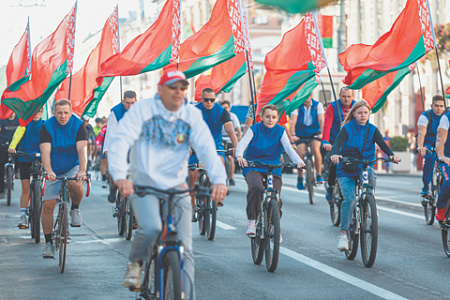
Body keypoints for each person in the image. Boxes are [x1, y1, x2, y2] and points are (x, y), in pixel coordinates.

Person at [107, 70, 227, 297]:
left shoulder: (190, 115)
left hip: (176, 186)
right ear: (160, 90)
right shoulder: (142, 111)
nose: (178, 92)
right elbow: (120, 141)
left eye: (182, 88)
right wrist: (121, 176)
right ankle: (136, 263)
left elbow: (207, 149)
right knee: (151, 227)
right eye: (173, 87)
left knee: (186, 248)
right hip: (144, 184)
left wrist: (219, 180)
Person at [330, 100, 400, 251]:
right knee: (349, 199)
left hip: (364, 166)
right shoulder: (347, 128)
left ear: (369, 114)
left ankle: (369, 202)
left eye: (365, 113)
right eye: (360, 113)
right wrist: (334, 154)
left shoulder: (372, 129)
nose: (363, 115)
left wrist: (392, 156)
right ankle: (343, 235)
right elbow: (337, 144)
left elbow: (383, 144)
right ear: (354, 114)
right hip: (347, 168)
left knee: (371, 174)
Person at [236, 104, 305, 236]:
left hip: (273, 167)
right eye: (267, 117)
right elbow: (242, 144)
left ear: (277, 118)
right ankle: (252, 221)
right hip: (253, 165)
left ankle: (274, 225)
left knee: (275, 196)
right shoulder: (254, 129)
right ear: (261, 117)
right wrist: (240, 156)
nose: (270, 119)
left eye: (273, 117)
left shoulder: (280, 131)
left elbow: (289, 149)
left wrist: (299, 162)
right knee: (256, 188)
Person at [40, 99, 88, 258]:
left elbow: (82, 149)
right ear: (54, 113)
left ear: (71, 112)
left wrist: (82, 170)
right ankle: (48, 244)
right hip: (53, 166)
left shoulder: (78, 124)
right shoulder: (47, 126)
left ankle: (75, 208)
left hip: (72, 165)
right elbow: (45, 152)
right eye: (59, 113)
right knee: (48, 204)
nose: (63, 116)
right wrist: (48, 171)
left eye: (66, 112)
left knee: (76, 183)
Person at [188, 88, 238, 213]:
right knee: (193, 174)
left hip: (215, 145)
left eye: (212, 100)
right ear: (201, 99)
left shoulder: (221, 111)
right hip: (196, 145)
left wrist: (237, 148)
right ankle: (192, 202)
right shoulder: (194, 110)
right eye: (206, 100)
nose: (209, 102)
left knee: (220, 162)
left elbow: (230, 130)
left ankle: (217, 190)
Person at [8, 109, 44, 228]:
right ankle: (23, 216)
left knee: (43, 185)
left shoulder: (45, 125)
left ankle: (40, 208)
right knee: (25, 188)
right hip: (25, 158)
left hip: (40, 159)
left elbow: (51, 139)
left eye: (39, 111)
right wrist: (12, 147)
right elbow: (17, 135)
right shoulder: (24, 124)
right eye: (34, 111)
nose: (36, 114)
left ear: (42, 112)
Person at [322, 87, 355, 202]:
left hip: (350, 140)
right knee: (334, 162)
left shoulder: (356, 106)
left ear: (353, 96)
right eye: (344, 96)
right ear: (339, 96)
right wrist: (325, 141)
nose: (346, 99)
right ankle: (331, 186)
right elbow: (327, 124)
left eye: (349, 96)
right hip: (334, 140)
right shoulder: (332, 107)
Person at [103, 90, 137, 203]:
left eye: (133, 103)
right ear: (123, 101)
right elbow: (110, 132)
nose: (130, 106)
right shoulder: (116, 112)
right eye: (127, 103)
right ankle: (113, 188)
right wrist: (107, 149)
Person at [290, 94, 325, 190]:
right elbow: (293, 121)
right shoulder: (297, 106)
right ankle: (300, 177)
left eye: (308, 96)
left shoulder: (318, 105)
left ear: (311, 96)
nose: (306, 99)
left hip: (315, 132)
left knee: (315, 149)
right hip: (300, 133)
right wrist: (292, 135)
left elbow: (321, 120)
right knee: (300, 153)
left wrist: (323, 133)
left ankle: (318, 175)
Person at [416, 95, 445, 196]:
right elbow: (421, 132)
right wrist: (420, 146)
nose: (439, 108)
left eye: (441, 106)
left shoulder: (446, 116)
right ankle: (426, 186)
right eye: (436, 106)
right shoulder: (425, 116)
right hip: (428, 143)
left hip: (442, 143)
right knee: (430, 158)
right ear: (431, 106)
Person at [434, 105, 450, 221]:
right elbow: (440, 139)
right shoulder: (446, 118)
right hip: (447, 156)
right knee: (449, 182)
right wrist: (441, 156)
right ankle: (440, 207)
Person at [220, 100, 242, 186]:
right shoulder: (219, 115)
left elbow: (238, 129)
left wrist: (239, 136)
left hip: (230, 139)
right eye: (223, 108)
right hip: (221, 139)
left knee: (231, 158)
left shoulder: (233, 116)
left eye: (226, 108)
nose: (225, 110)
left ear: (229, 108)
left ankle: (231, 178)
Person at [0, 112, 19, 199]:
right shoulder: (2, 119)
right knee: (1, 167)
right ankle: (1, 190)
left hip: (16, 145)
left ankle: (17, 170)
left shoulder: (18, 120)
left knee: (20, 156)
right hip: (3, 144)